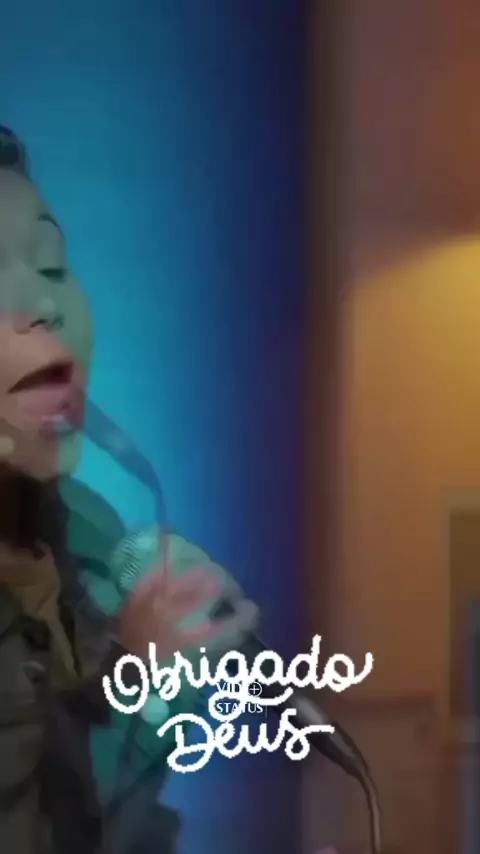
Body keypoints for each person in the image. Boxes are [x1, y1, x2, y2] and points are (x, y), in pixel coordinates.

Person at [0, 125, 257, 854]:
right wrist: (135, 691)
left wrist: (151, 696)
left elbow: (129, 832)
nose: (44, 305)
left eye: (52, 266)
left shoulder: (91, 533)